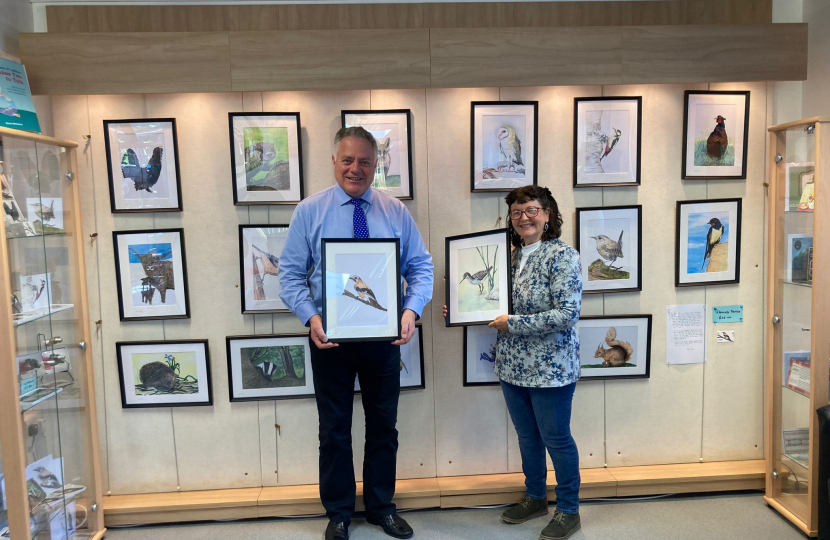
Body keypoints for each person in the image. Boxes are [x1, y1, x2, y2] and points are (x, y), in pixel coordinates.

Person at [279, 127, 434, 540]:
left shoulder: (395, 211)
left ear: (376, 164)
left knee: (384, 425)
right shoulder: (310, 211)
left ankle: (381, 508)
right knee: (334, 429)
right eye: (347, 159)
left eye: (365, 160)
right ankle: (339, 514)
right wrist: (311, 318)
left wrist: (409, 310)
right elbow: (291, 277)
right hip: (329, 339)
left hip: (384, 339)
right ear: (333, 162)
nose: (356, 168)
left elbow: (421, 267)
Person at [444, 185, 583, 540]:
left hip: (551, 369)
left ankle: (568, 509)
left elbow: (567, 314)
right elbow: (497, 305)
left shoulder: (562, 256)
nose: (524, 218)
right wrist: (464, 310)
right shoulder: (509, 257)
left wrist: (513, 324)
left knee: (556, 438)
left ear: (548, 214)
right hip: (512, 366)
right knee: (527, 437)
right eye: (517, 212)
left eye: (532, 210)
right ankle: (535, 497)